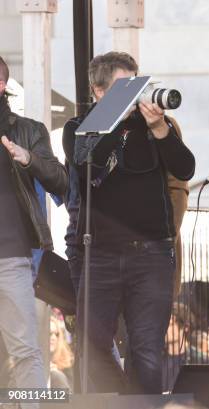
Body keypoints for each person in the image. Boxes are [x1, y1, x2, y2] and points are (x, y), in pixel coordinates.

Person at [62, 51, 195, 393]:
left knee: (147, 350)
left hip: (151, 254)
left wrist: (160, 127)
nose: (135, 97)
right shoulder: (79, 128)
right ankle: (125, 401)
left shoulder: (155, 128)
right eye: (125, 89)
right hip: (100, 254)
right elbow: (85, 166)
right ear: (99, 92)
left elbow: (185, 169)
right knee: (91, 346)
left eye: (138, 86)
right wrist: (114, 119)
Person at [0, 55, 68, 408]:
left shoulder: (28, 130)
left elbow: (61, 180)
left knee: (25, 350)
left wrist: (28, 158)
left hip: (11, 257)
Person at [49, 315, 74, 389]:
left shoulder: (68, 363)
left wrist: (55, 373)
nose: (53, 338)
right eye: (49, 333)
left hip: (65, 399)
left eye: (56, 334)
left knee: (57, 376)